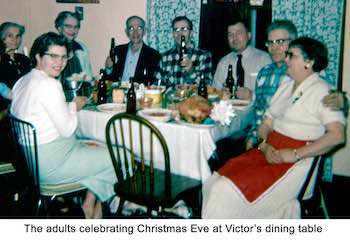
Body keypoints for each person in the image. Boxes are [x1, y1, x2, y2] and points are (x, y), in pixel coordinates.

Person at [202, 37, 346, 219]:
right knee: (214, 181)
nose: (286, 59)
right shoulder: (286, 85)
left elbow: (337, 136)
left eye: (291, 56)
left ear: (309, 62)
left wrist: (294, 154)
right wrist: (263, 144)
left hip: (296, 160)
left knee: (224, 191)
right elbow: (267, 123)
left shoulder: (323, 91)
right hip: (269, 149)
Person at [213, 20, 347, 170]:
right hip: (261, 138)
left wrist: (343, 100)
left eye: (280, 42)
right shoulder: (265, 72)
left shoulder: (302, 72)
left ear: (293, 43)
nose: (274, 47)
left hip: (284, 144)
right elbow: (259, 112)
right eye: (270, 43)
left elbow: (325, 88)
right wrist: (253, 140)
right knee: (219, 159)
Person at [10, 32, 117, 219]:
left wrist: (70, 106)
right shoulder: (49, 85)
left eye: (63, 57)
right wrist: (74, 106)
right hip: (54, 165)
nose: (59, 62)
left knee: (100, 148)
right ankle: (96, 219)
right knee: (120, 158)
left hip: (33, 163)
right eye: (53, 56)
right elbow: (68, 129)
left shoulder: (23, 81)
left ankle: (88, 204)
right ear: (38, 56)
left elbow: (44, 113)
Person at [212, 19, 271, 100]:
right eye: (230, 35)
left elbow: (273, 96)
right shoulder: (223, 62)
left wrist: (251, 96)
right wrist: (220, 94)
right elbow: (214, 93)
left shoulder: (264, 59)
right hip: (228, 111)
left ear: (249, 35)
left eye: (238, 33)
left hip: (255, 111)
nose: (234, 38)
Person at [155, 16, 213, 86]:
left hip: (193, 97)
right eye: (176, 30)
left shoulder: (203, 55)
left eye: (184, 29)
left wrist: (191, 70)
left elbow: (208, 86)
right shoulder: (164, 57)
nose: (180, 33)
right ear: (173, 34)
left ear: (191, 33)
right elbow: (157, 84)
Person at [105, 15, 161, 84]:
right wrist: (108, 68)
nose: (135, 32)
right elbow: (109, 79)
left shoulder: (153, 55)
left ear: (144, 31)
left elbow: (152, 82)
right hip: (118, 92)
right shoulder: (118, 51)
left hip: (139, 93)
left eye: (139, 28)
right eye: (131, 28)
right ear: (126, 32)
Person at [55, 11, 94, 83]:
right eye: (68, 26)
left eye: (76, 27)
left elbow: (88, 76)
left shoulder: (81, 48)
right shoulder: (52, 48)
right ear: (59, 28)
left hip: (79, 92)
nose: (72, 30)